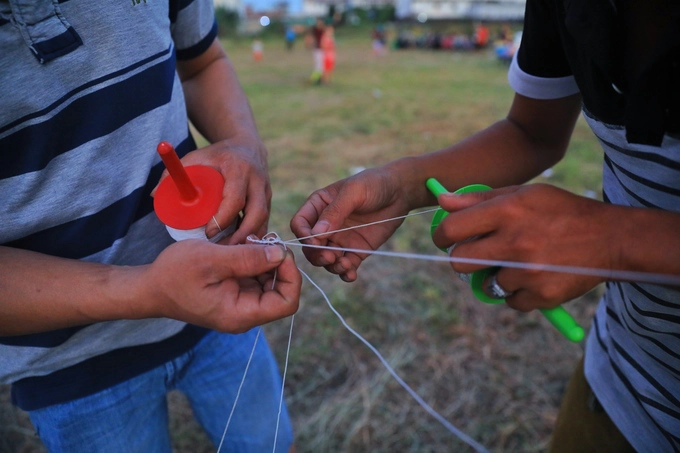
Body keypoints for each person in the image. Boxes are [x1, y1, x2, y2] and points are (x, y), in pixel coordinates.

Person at [291, 0, 680, 451]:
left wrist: (619, 241)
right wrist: (403, 184)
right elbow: (533, 132)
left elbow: (618, 237)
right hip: (624, 380)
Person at [0, 0, 301, 451]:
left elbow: (202, 62)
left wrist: (244, 143)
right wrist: (147, 290)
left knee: (267, 442)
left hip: (222, 301)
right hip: (70, 364)